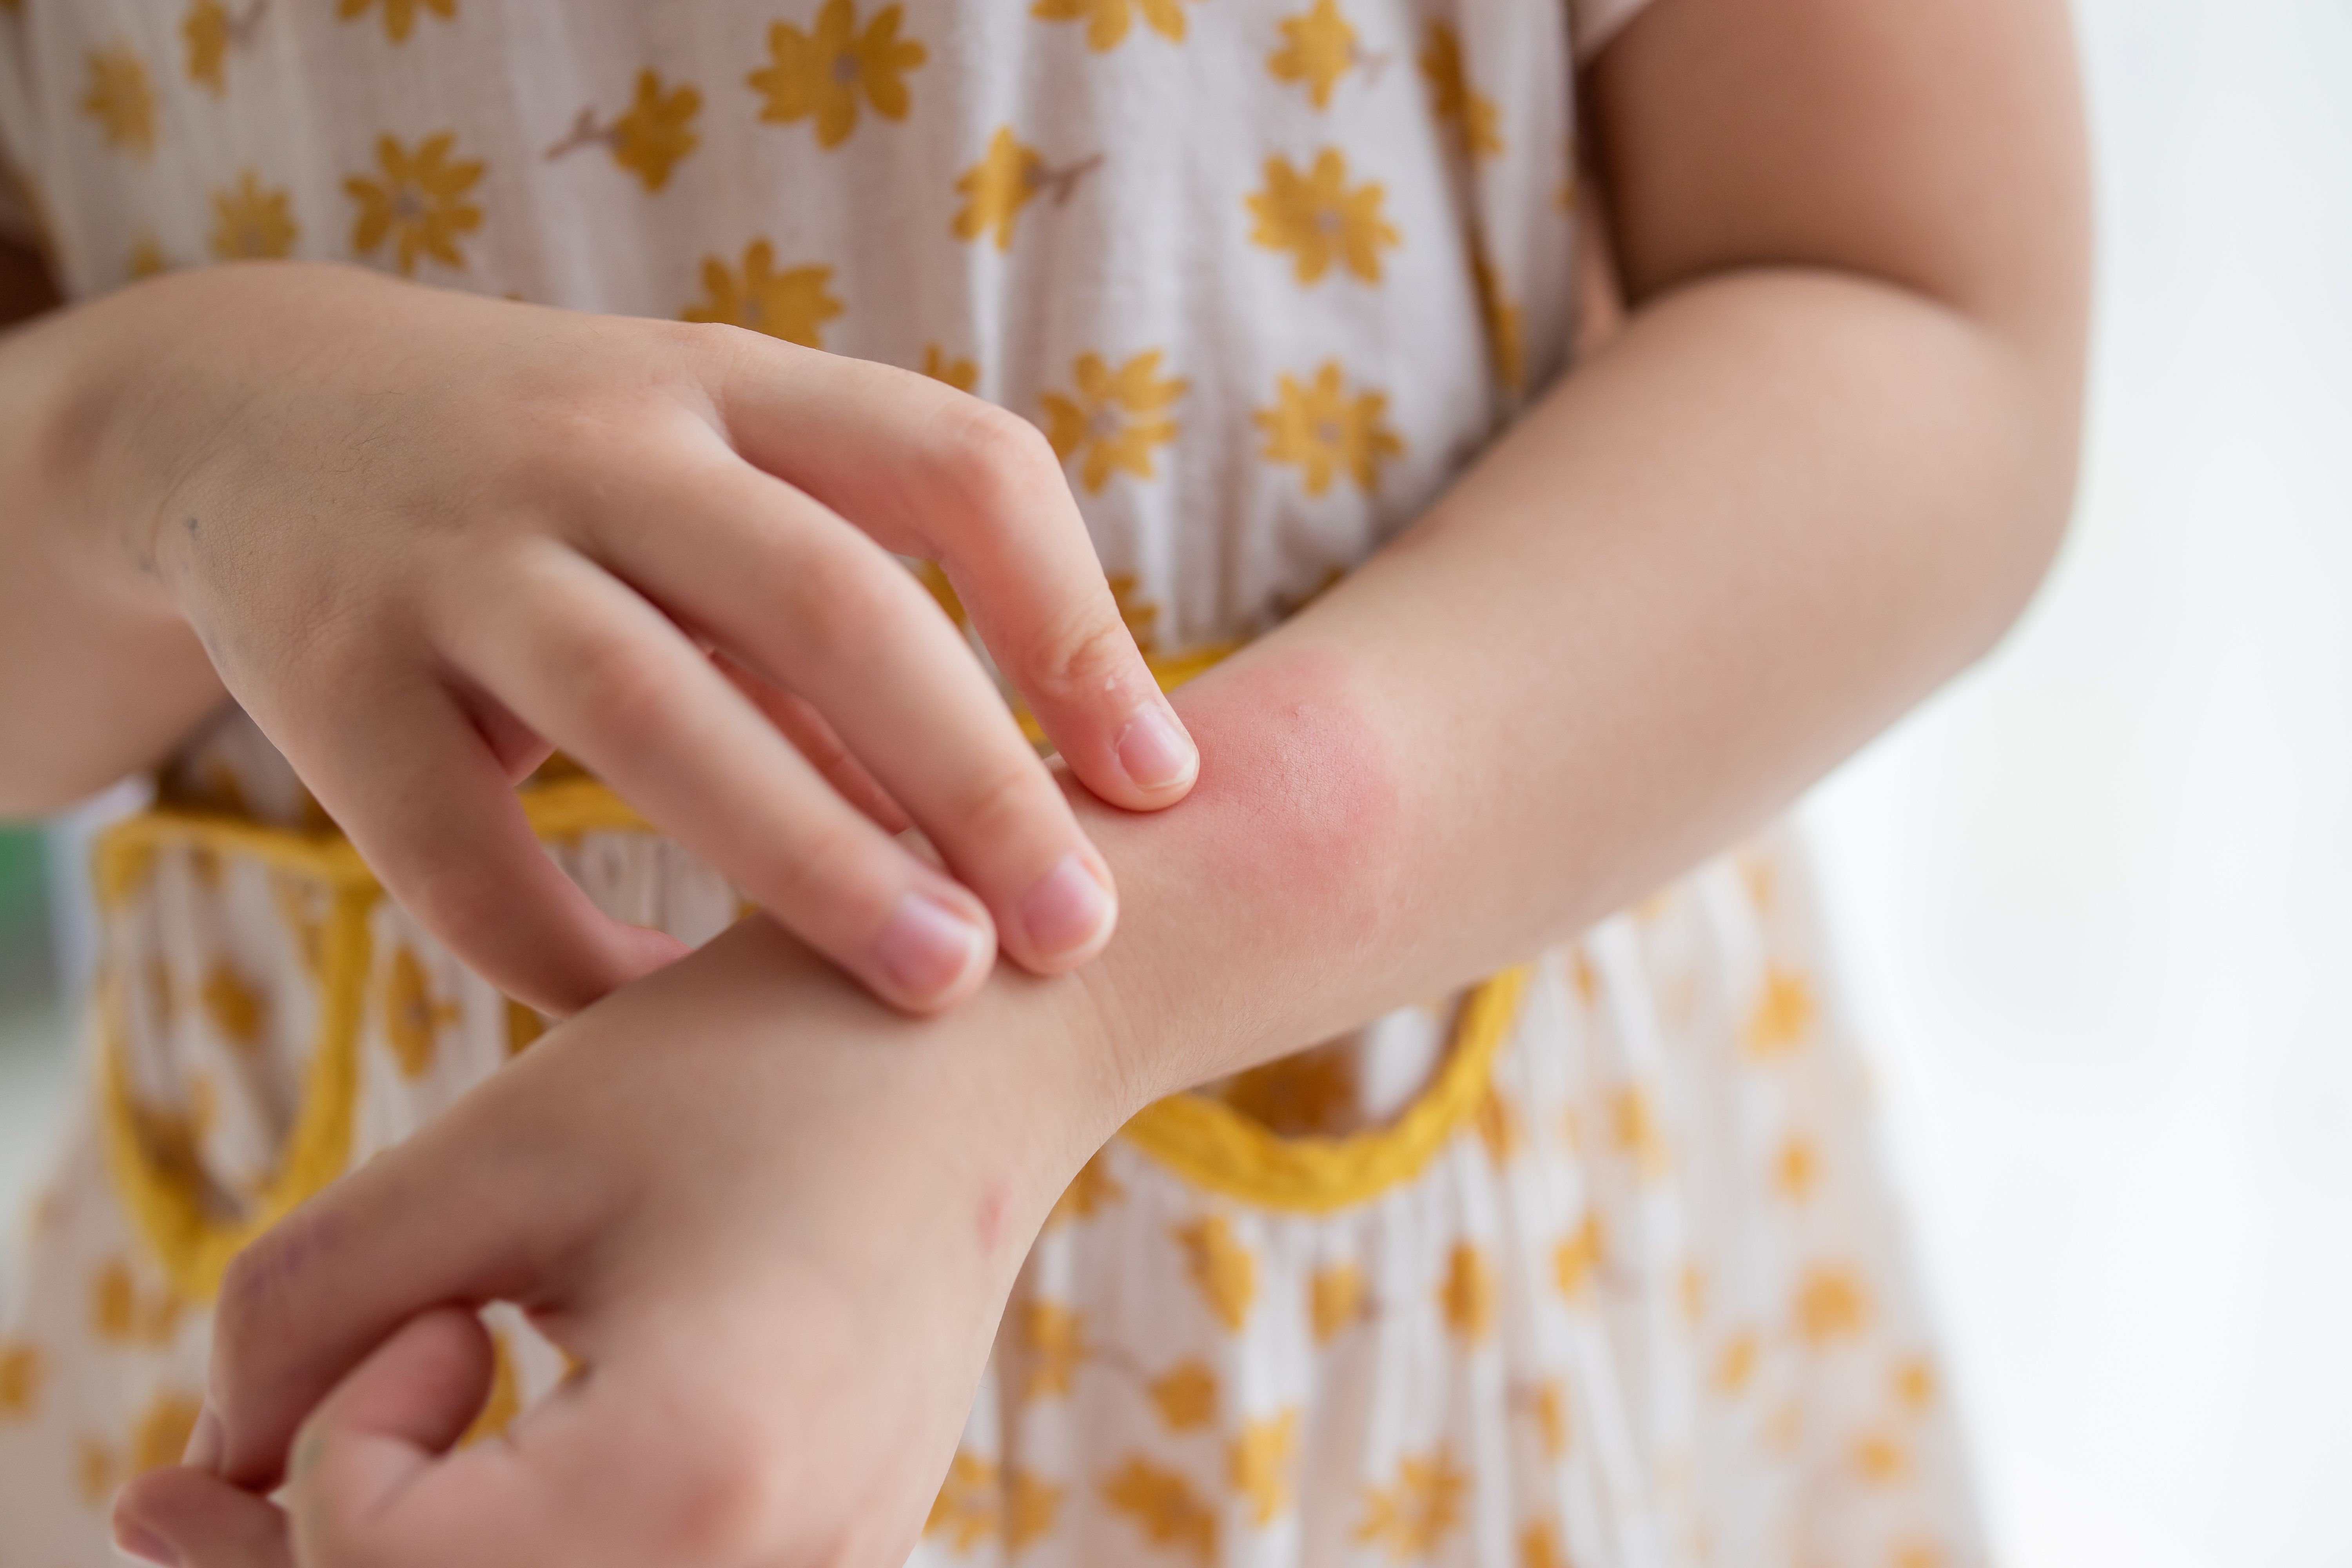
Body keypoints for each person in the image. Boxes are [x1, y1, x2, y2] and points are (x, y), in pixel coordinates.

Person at [0, 0, 2089, 1562]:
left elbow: (1922, 318)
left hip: (1395, 1287)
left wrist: (1055, 992)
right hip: (358, 1298)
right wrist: (151, 443)